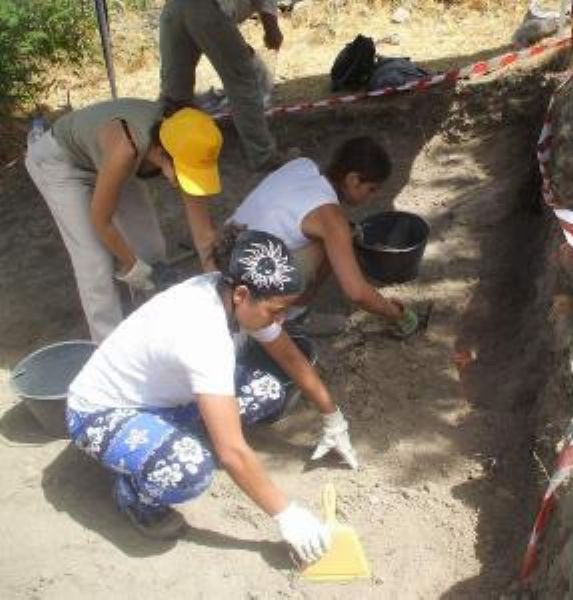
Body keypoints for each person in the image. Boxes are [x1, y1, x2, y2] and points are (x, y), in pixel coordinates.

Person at [66, 229, 358, 561]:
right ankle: (134, 496)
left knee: (267, 389)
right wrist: (287, 514)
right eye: (276, 311)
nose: (279, 320)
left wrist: (332, 416)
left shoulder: (231, 290)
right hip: (102, 413)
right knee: (187, 468)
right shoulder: (203, 334)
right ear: (242, 294)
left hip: (165, 398)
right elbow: (232, 452)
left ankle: (177, 437)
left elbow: (290, 357)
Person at [25, 99, 221, 342]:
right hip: (61, 163)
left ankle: (160, 330)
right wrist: (133, 266)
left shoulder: (187, 140)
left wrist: (217, 286)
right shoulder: (126, 149)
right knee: (95, 262)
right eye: (184, 172)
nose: (186, 180)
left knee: (150, 246)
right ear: (161, 152)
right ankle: (110, 349)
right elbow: (101, 221)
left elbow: (203, 233)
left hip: (107, 157)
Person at [228, 136, 419, 337]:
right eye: (371, 189)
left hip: (225, 250)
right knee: (334, 240)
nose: (373, 197)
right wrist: (396, 314)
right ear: (353, 179)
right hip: (246, 285)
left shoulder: (302, 165)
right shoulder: (330, 218)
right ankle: (295, 316)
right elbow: (357, 292)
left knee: (337, 234)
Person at [160, 0, 284, 171]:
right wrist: (272, 30)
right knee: (243, 81)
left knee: (175, 91)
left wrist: (237, 44)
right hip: (208, 7)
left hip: (175, 7)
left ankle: (165, 153)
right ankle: (263, 156)